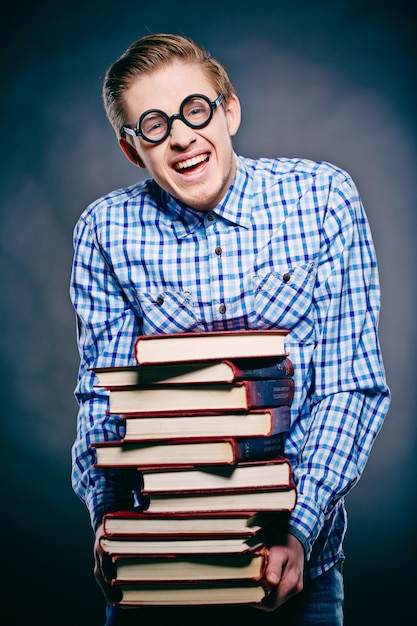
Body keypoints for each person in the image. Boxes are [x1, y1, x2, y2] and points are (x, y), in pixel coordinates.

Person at [70, 33, 391, 625]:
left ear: (229, 109)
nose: (182, 136)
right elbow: (103, 401)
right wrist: (110, 524)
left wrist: (297, 528)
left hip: (299, 564)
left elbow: (355, 386)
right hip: (159, 566)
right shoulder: (104, 231)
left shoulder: (323, 198)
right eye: (154, 124)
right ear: (131, 148)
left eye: (195, 110)